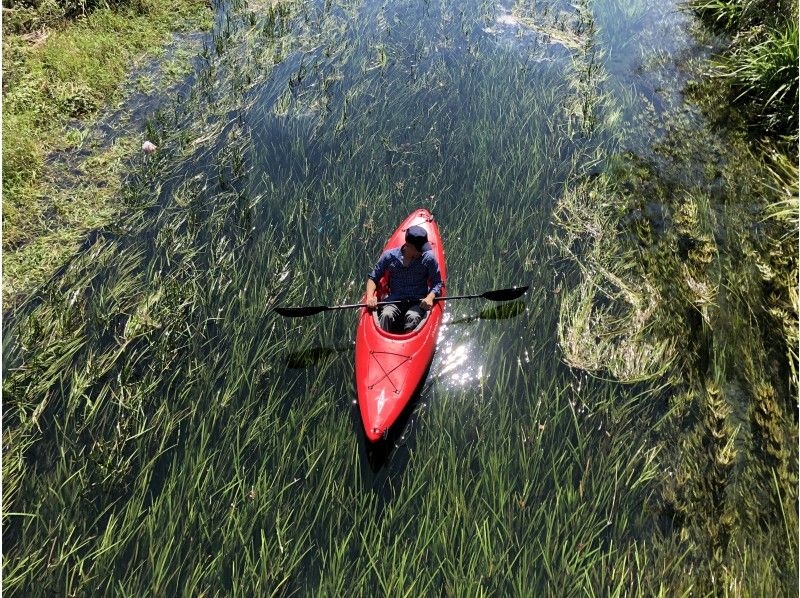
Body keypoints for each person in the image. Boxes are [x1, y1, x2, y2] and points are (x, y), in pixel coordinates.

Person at [365, 225, 443, 332]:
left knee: (413, 318)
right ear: (408, 246)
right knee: (386, 315)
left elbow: (437, 282)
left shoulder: (428, 258)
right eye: (420, 250)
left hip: (417, 301)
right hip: (394, 300)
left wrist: (430, 297)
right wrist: (370, 297)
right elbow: (373, 277)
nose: (422, 252)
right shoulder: (389, 257)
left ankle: (409, 343)